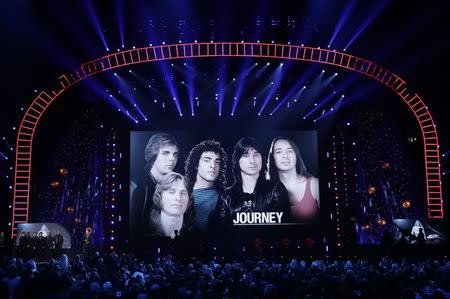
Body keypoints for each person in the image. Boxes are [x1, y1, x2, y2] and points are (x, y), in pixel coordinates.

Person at [216, 137, 290, 227]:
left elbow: (281, 227)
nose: (252, 161)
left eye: (256, 155)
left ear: (262, 158)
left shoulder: (276, 189)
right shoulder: (226, 196)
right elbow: (221, 231)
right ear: (237, 161)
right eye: (245, 155)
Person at [130, 133, 179, 240]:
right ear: (153, 154)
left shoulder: (176, 187)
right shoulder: (136, 186)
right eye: (165, 153)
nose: (172, 159)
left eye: (175, 154)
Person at [267, 137, 320, 223]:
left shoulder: (314, 185)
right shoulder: (266, 189)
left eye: (290, 151)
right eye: (279, 152)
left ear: (296, 155)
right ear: (272, 158)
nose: (285, 156)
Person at [184, 139, 228, 233]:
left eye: (217, 162)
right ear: (196, 164)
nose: (213, 165)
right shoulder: (180, 191)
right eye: (207, 160)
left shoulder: (225, 197)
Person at [148, 172, 192, 238]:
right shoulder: (144, 232)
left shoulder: (194, 236)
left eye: (183, 193)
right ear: (159, 196)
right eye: (171, 192)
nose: (178, 198)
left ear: (189, 199)